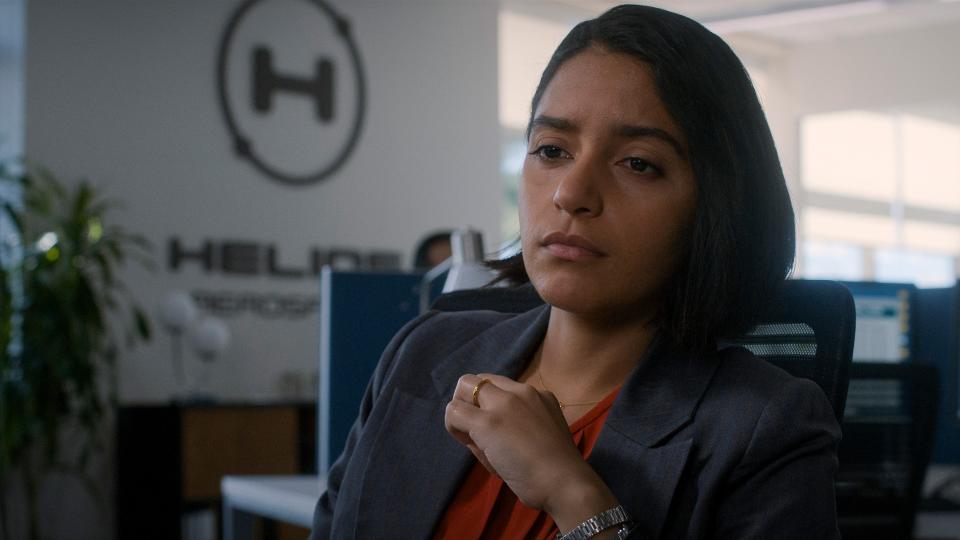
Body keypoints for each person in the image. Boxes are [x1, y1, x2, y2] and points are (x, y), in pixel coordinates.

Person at [309, 4, 841, 539]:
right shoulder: (423, 352)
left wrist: (572, 493)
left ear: (716, 204)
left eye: (637, 163)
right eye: (552, 150)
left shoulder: (764, 427)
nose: (571, 194)